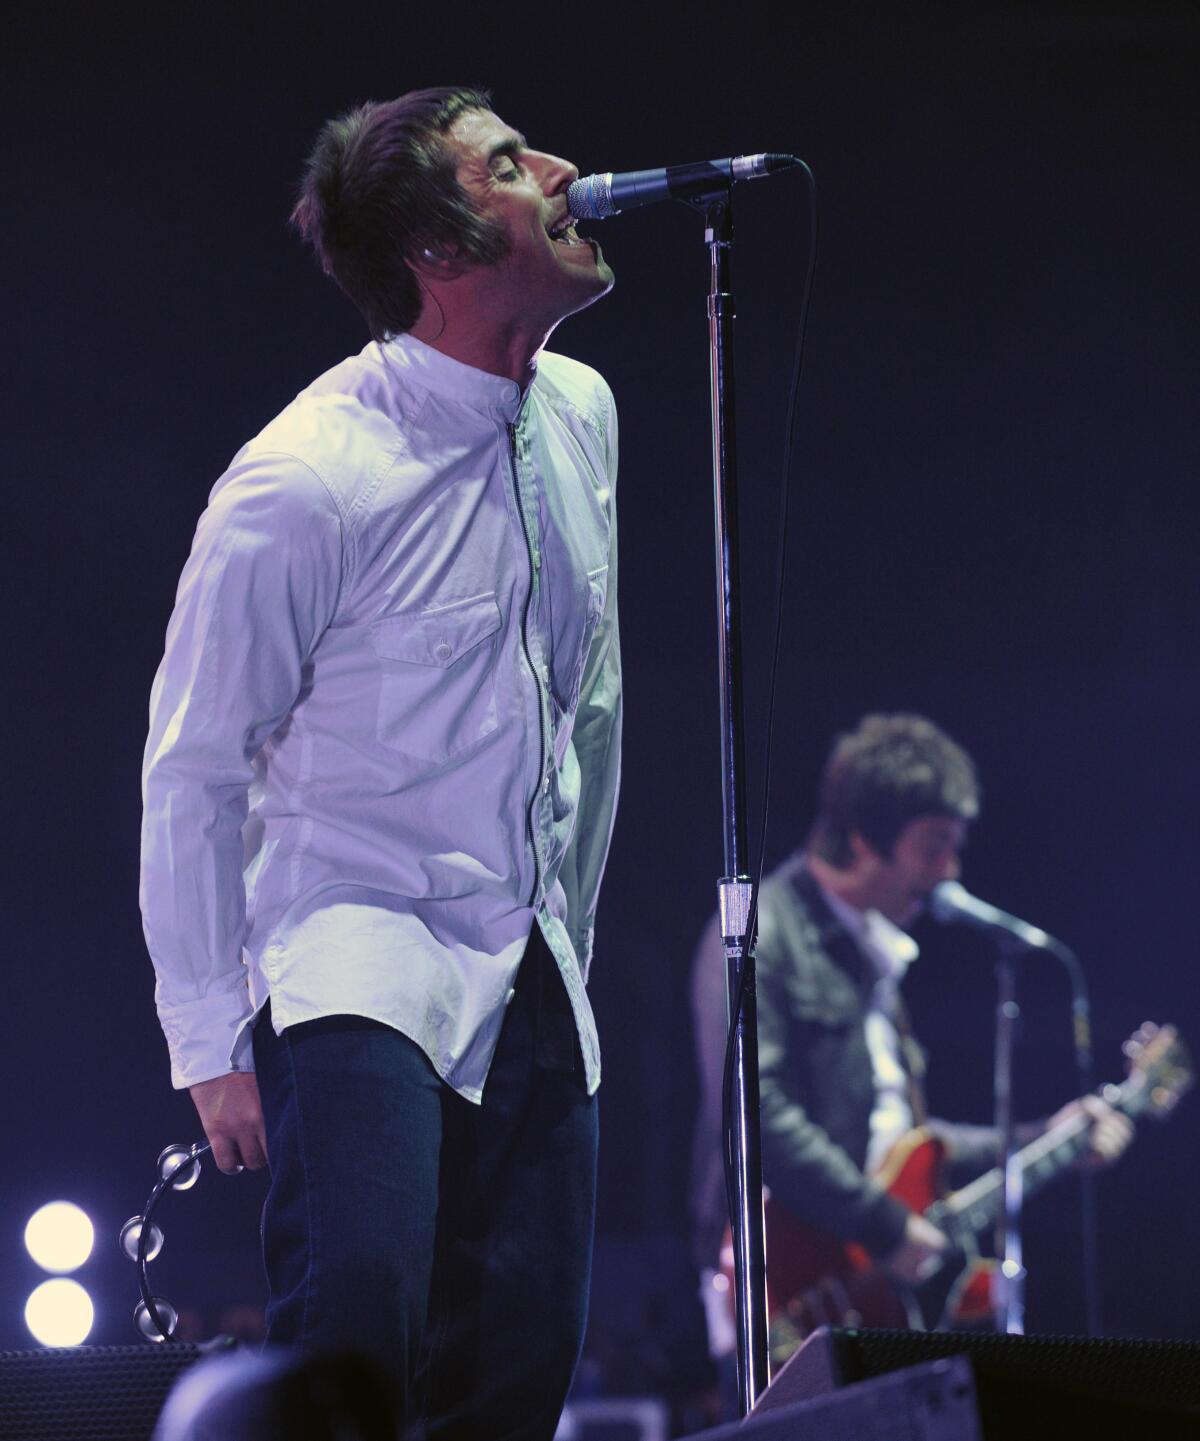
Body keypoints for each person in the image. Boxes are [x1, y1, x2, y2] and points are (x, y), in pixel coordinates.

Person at [140, 86, 620, 1440]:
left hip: (531, 955)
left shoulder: (581, 412)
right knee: (356, 1324)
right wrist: (207, 1034)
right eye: (512, 165)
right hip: (357, 944)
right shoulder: (302, 479)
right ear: (443, 252)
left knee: (525, 1356)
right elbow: (194, 764)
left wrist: (567, 928)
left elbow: (595, 703)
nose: (567, 173)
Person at [689, 714, 1131, 1361]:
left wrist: (1048, 1135)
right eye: (933, 846)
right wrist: (886, 1225)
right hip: (781, 1276)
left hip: (866, 1276)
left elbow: (906, 1146)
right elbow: (758, 1116)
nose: (948, 871)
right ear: (865, 837)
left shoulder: (876, 951)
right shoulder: (762, 934)